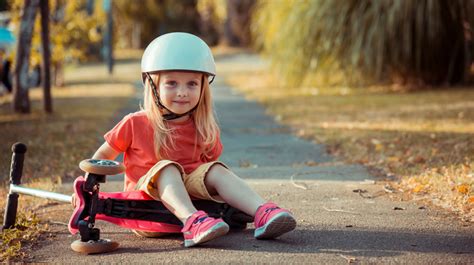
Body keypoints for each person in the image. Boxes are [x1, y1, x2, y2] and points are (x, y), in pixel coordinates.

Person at [90, 32, 296, 247]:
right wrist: (89, 188)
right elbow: (103, 156)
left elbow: (208, 174)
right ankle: (192, 221)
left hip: (196, 203)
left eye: (191, 84)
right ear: (153, 85)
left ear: (203, 88)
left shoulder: (203, 126)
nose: (182, 92)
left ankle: (262, 211)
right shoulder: (135, 123)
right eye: (171, 83)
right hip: (146, 208)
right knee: (167, 168)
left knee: (216, 169)